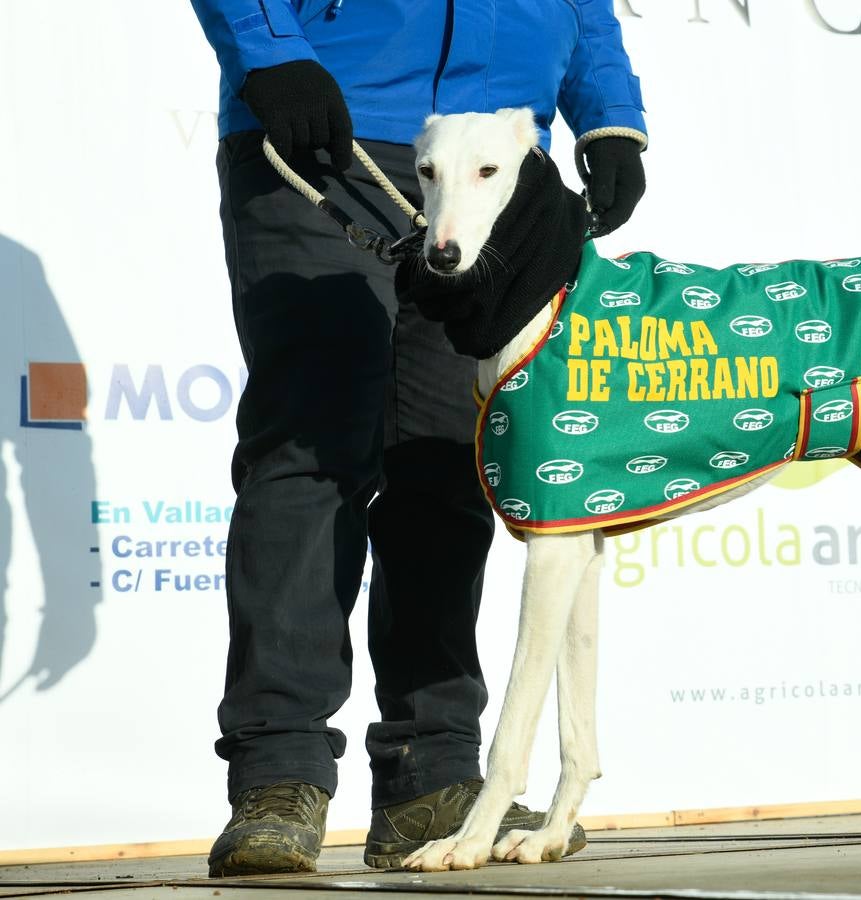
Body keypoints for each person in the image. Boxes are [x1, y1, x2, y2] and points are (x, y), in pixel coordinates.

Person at [187, 0, 647, 877]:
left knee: (449, 463)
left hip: (498, 155)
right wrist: (270, 50)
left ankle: (430, 775)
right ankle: (278, 776)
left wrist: (610, 111)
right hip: (325, 120)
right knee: (311, 448)